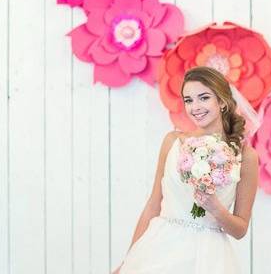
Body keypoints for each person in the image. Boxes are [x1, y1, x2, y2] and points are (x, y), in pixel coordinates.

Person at [111, 66, 259, 274]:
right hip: (161, 248)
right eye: (188, 100)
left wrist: (215, 208)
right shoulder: (173, 142)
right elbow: (154, 204)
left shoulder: (246, 157)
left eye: (204, 98)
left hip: (209, 258)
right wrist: (129, 260)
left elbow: (240, 230)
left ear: (223, 102)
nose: (195, 107)